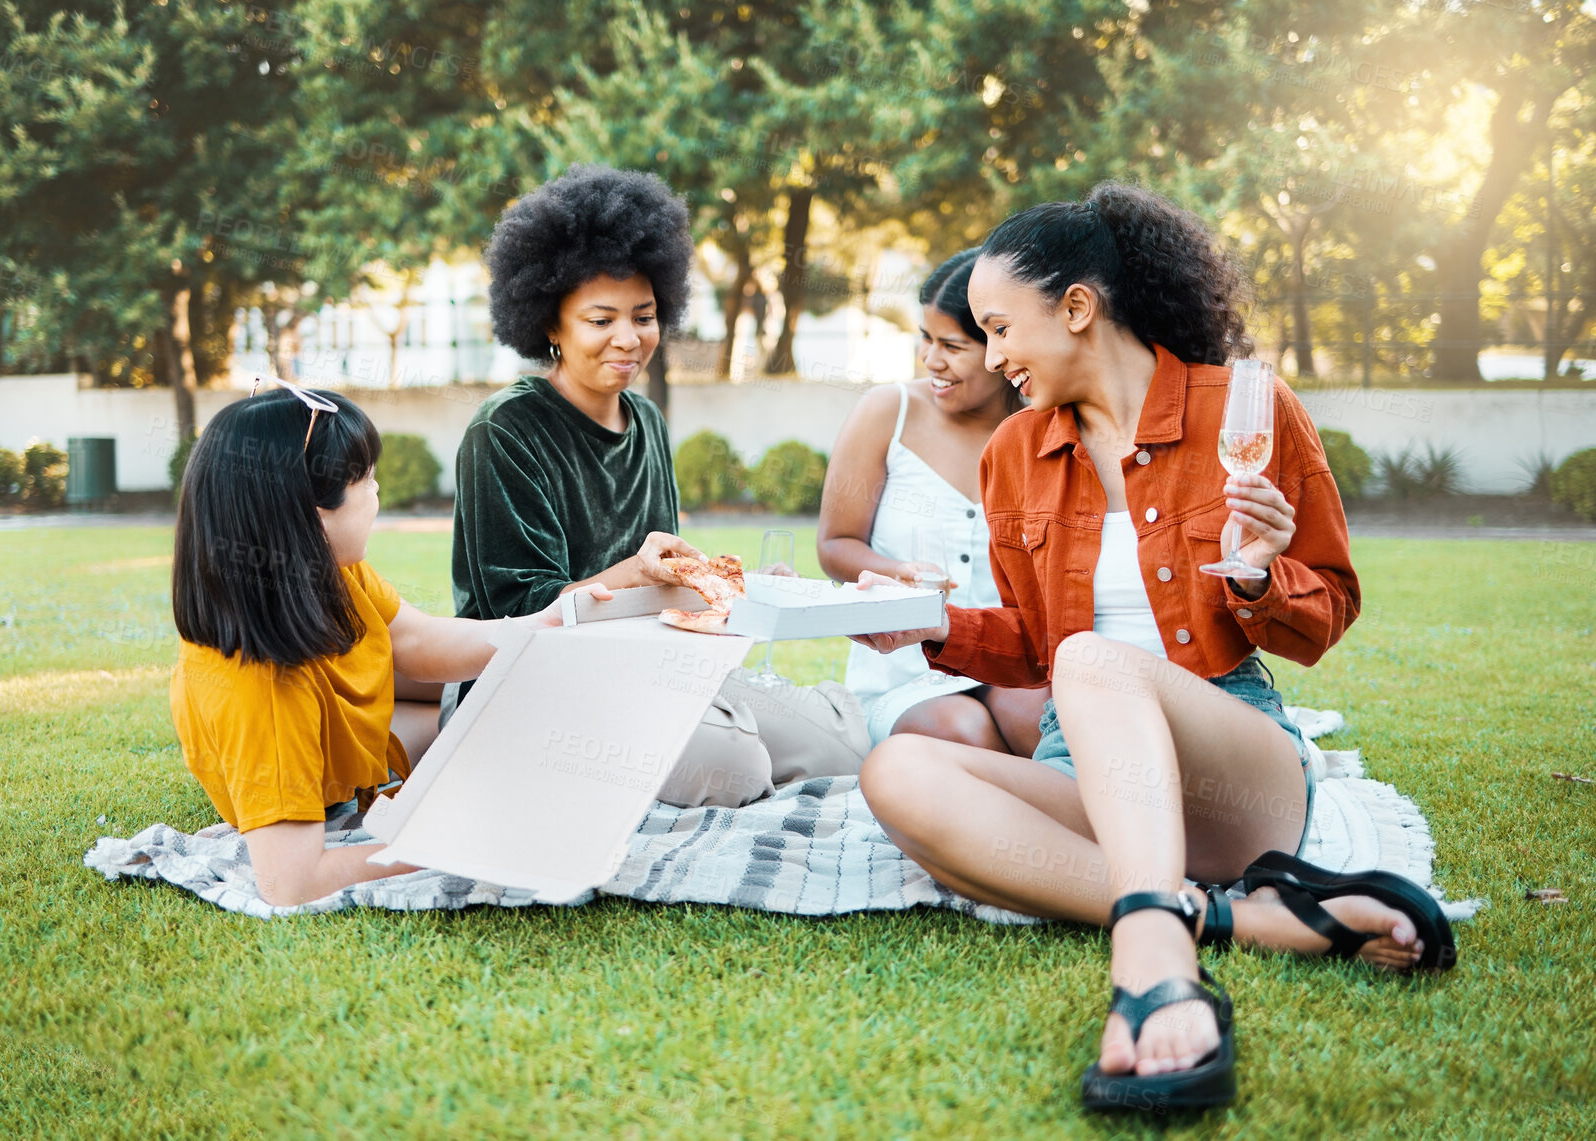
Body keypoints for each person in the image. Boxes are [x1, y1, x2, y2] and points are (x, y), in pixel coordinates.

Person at [850, 184, 1456, 1113]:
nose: (994, 357)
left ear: (1079, 309)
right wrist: (932, 625)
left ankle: (1153, 956)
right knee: (895, 769)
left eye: (1002, 328)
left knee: (1093, 659)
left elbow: (1327, 607)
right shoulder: (1014, 450)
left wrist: (1257, 578)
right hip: (1086, 770)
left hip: (1234, 774)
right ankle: (1241, 918)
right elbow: (1029, 643)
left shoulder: (1247, 413)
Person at [450, 164, 869, 808]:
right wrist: (636, 576)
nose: (629, 338)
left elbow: (667, 572)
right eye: (600, 319)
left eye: (643, 316)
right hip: (540, 679)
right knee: (733, 768)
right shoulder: (506, 430)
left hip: (653, 662)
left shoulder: (645, 419)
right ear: (550, 326)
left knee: (839, 752)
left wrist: (736, 586)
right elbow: (524, 612)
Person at [170, 379, 602, 906]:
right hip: (323, 787)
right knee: (511, 750)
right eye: (365, 478)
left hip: (361, 738)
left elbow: (416, 639)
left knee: (504, 720)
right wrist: (450, 846)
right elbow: (291, 884)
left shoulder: (329, 570)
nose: (377, 491)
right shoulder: (262, 689)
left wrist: (544, 623)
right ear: (310, 514)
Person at [817, 248, 1049, 753]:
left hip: (1008, 662)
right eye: (925, 338)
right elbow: (836, 544)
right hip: (904, 672)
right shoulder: (888, 411)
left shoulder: (1043, 431)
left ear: (998, 347)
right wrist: (899, 573)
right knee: (963, 733)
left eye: (952, 345)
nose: (931, 360)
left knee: (1046, 722)